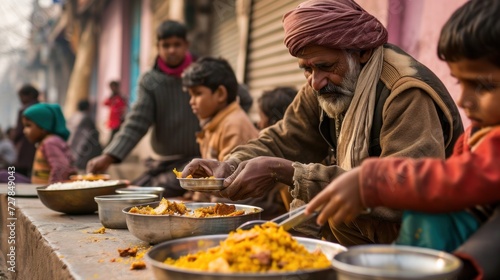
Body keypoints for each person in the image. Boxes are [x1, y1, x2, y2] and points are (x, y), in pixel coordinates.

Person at [181, 0, 464, 246]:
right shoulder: (322, 84)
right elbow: (283, 138)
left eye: (326, 67)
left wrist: (289, 173)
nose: (316, 82)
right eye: (306, 69)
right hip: (361, 233)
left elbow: (407, 190)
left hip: (416, 238)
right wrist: (230, 165)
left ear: (362, 52)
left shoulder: (405, 93)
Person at [305, 0, 500, 278]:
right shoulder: (483, 129)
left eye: (483, 86)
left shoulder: (406, 89)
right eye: (460, 83)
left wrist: (371, 180)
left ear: (360, 53)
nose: (464, 100)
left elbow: (460, 177)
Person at [87, 20, 253, 197]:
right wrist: (110, 156)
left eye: (177, 44)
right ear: (158, 47)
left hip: (200, 158)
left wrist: (219, 122)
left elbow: (243, 97)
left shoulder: (203, 72)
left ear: (186, 45)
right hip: (165, 162)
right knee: (135, 190)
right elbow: (137, 122)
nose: (172, 50)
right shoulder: (150, 81)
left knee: (152, 193)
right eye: (166, 45)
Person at [22, 103, 77, 184]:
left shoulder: (50, 142)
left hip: (46, 191)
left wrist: (52, 191)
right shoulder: (46, 141)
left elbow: (61, 167)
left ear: (43, 127)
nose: (24, 131)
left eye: (28, 126)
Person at [67, 100, 103, 171]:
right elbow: (93, 136)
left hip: (72, 150)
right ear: (88, 108)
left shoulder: (73, 117)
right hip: (82, 152)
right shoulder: (86, 119)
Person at [13, 84, 39, 177]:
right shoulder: (43, 108)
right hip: (39, 147)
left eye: (21, 97)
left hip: (25, 148)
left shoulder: (24, 110)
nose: (20, 100)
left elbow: (18, 132)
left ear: (30, 95)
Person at [103, 81, 127, 145]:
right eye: (111, 87)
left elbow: (123, 108)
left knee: (114, 137)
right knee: (114, 136)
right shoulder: (112, 97)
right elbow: (105, 103)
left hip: (118, 120)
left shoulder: (120, 97)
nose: (113, 88)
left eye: (114, 87)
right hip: (112, 120)